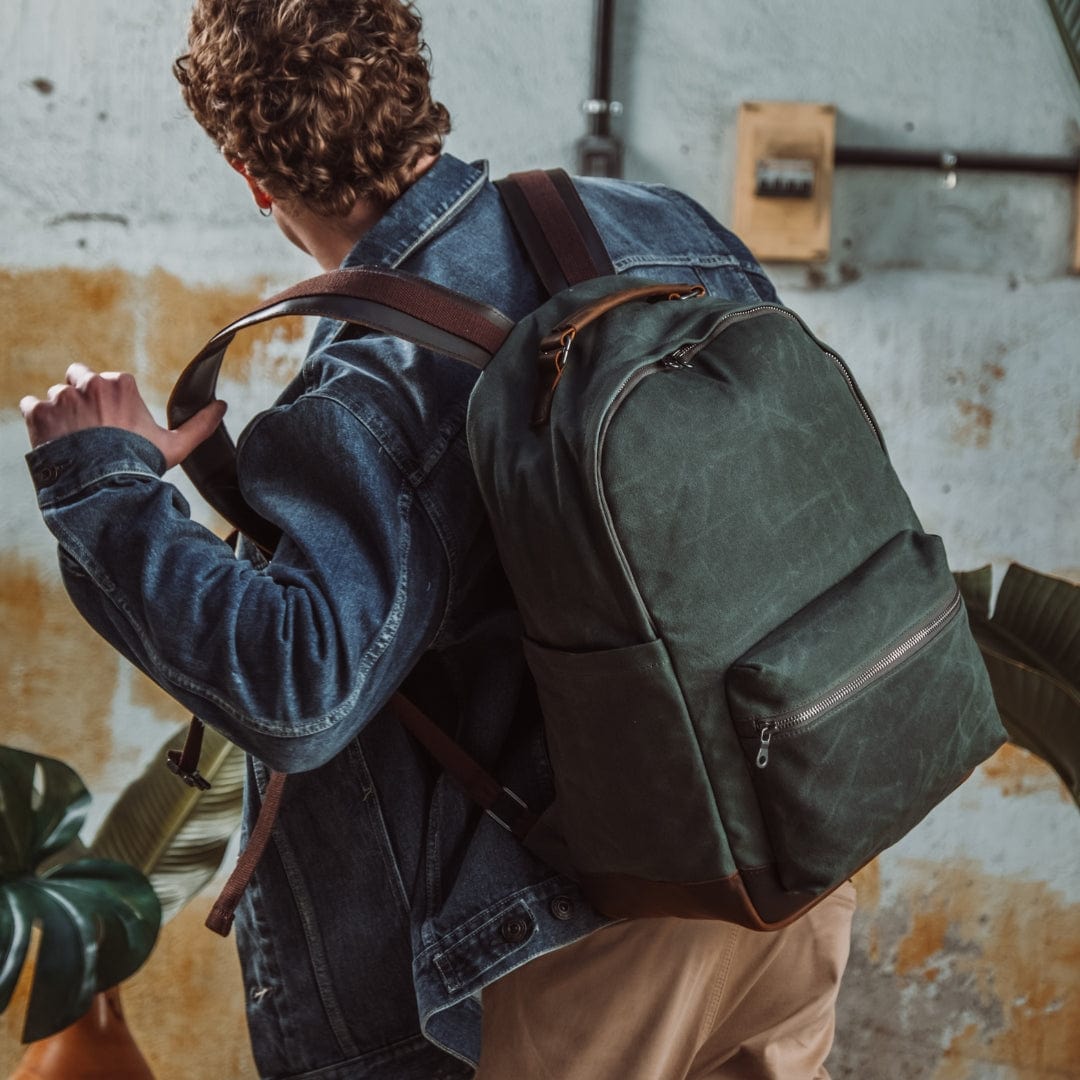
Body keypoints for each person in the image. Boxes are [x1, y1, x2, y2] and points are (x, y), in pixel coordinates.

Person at [19, 2, 856, 1076]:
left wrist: (104, 486)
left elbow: (301, 687)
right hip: (790, 855)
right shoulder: (666, 227)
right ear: (410, 80)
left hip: (581, 933)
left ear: (250, 175)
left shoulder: (372, 389)